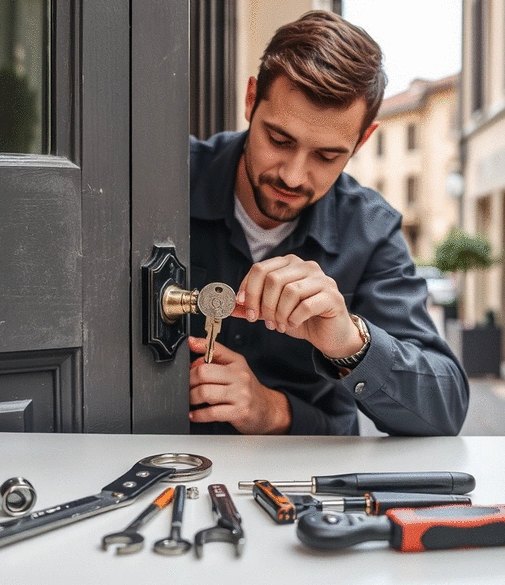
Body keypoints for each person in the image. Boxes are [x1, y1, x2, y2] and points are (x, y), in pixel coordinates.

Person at [188, 10, 469, 436]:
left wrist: (349, 341)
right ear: (250, 100)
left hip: (307, 487)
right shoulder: (166, 181)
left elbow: (445, 409)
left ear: (363, 140)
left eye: (327, 156)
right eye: (279, 140)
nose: (294, 176)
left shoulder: (370, 230)